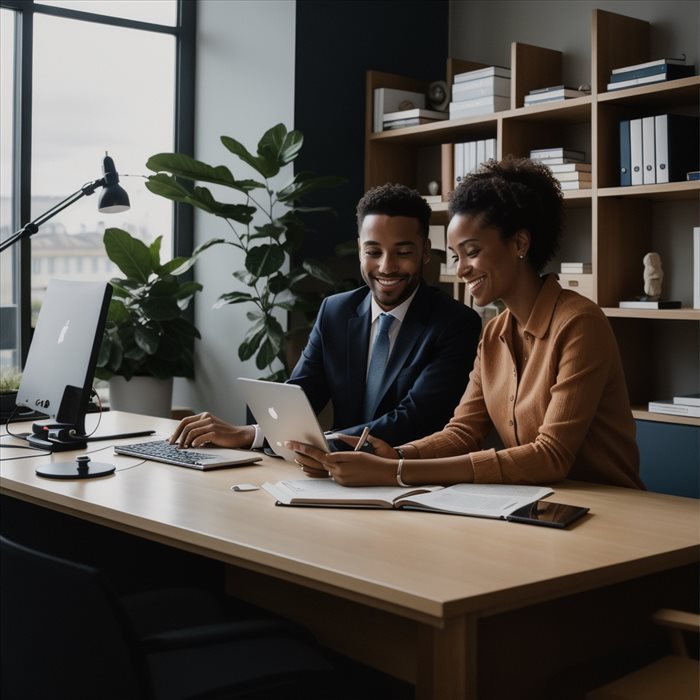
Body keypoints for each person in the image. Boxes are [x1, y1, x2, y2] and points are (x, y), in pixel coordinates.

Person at [289, 157, 644, 490]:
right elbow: (462, 432)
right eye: (456, 256)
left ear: (520, 243)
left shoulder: (579, 323)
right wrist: (394, 455)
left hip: (607, 509)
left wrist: (397, 471)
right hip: (535, 506)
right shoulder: (493, 333)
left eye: (472, 252)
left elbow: (550, 456)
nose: (460, 270)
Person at [170, 183, 482, 451]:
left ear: (425, 250)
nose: (386, 267)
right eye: (374, 252)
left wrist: (267, 437)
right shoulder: (336, 311)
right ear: (360, 249)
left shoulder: (456, 323)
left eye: (402, 253)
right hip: (333, 478)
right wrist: (256, 435)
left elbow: (413, 419)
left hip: (411, 482)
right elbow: (301, 397)